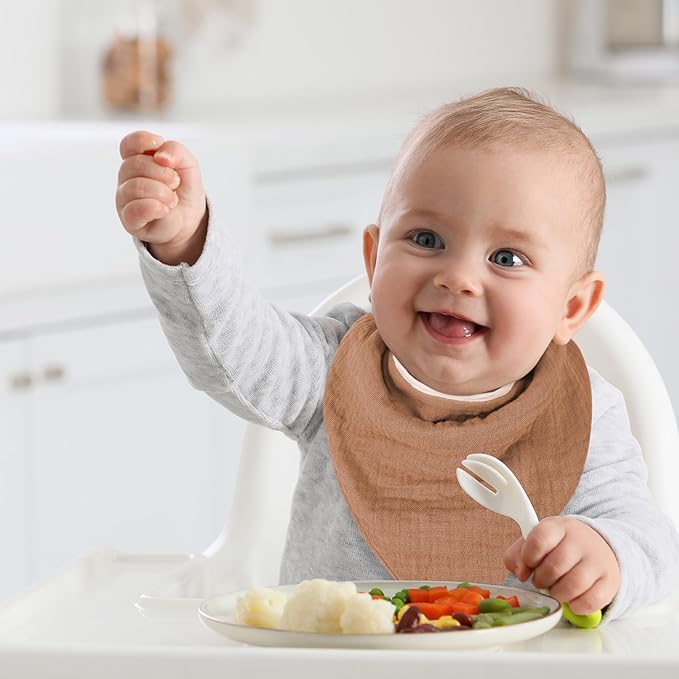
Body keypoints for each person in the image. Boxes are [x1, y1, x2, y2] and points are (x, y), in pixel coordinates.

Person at [115, 87, 679, 623]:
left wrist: (605, 556)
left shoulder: (586, 415)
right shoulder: (333, 368)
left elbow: (650, 542)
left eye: (506, 258)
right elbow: (235, 349)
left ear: (572, 307)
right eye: (427, 240)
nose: (458, 277)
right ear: (373, 258)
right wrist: (186, 245)